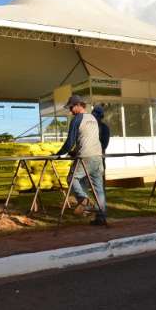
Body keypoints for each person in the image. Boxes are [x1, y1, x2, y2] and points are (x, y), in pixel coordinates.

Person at [56, 95, 107, 226]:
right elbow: (88, 138)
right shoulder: (93, 118)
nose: (70, 111)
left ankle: (83, 200)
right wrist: (74, 151)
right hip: (97, 156)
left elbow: (70, 141)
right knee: (98, 188)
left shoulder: (77, 119)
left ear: (79, 105)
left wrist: (59, 154)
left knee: (71, 178)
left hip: (86, 157)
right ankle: (101, 217)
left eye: (72, 107)